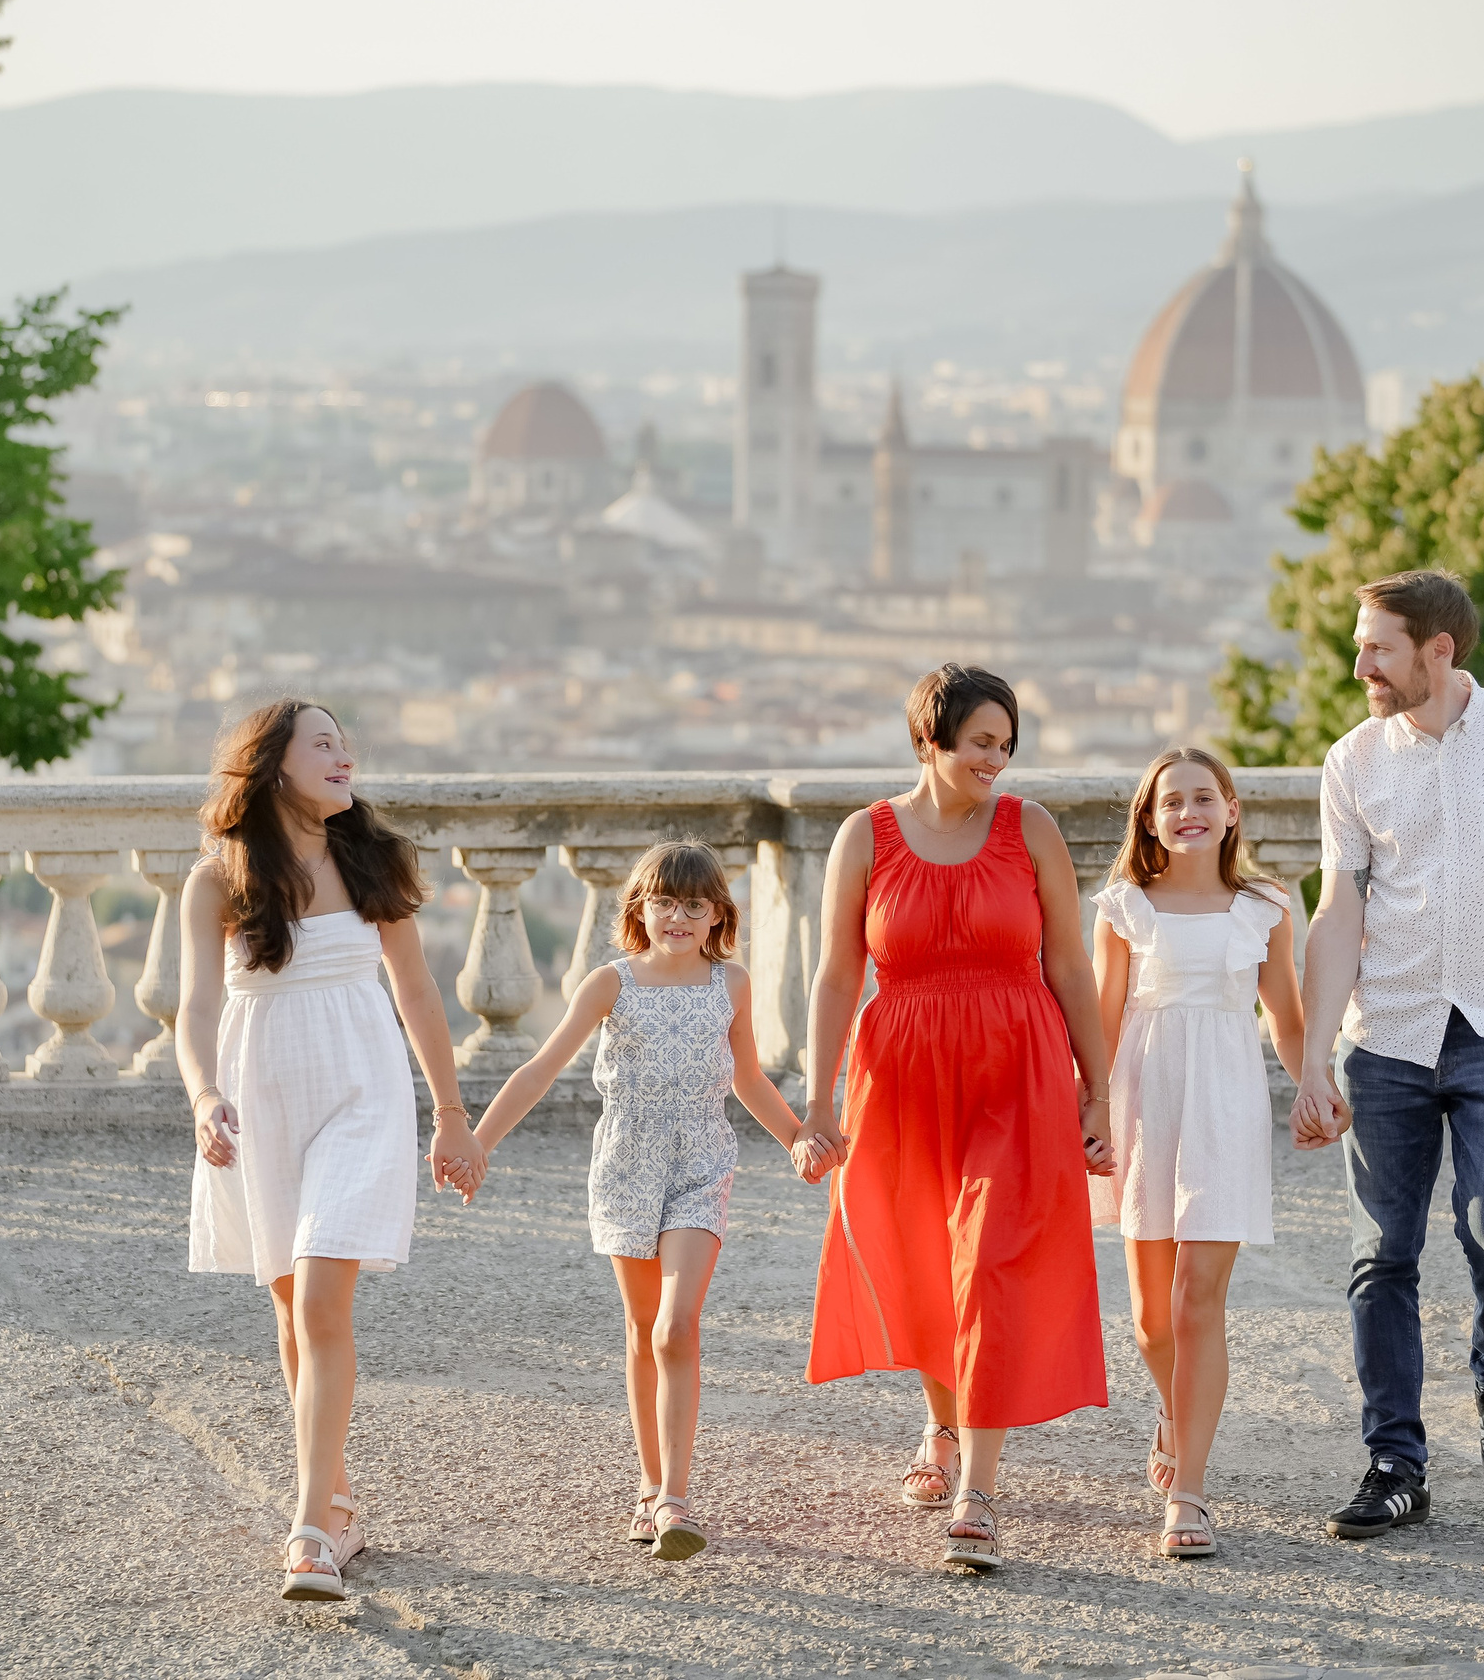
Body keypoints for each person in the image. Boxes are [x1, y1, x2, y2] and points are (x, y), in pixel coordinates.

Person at [1289, 570, 1484, 1542]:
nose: (1359, 667)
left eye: (1377, 648)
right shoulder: (1351, 761)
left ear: (1439, 650)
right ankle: (1394, 1461)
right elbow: (1337, 914)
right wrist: (1311, 1059)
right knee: (1379, 1255)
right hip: (1383, 1038)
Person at [797, 662, 1116, 1573]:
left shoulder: (1031, 830)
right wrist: (817, 1102)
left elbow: (1071, 968)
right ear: (928, 739)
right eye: (981, 742)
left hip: (1017, 1071)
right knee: (922, 1261)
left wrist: (1097, 1087)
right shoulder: (866, 836)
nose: (998, 760)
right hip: (898, 1076)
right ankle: (940, 1421)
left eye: (1007, 745)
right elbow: (831, 977)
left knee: (995, 1260)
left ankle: (977, 1481)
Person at [178, 699, 487, 1602]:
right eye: (324, 745)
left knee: (319, 1295)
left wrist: (453, 1114)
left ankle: (310, 1529)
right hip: (261, 1094)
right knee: (289, 1311)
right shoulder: (217, 880)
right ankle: (339, 1499)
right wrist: (204, 1096)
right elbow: (194, 1010)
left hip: (363, 1089)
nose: (344, 757)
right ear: (273, 766)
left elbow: (421, 994)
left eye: (346, 744)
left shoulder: (373, 859)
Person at [459, 841, 833, 1562]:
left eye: (696, 904)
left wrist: (796, 1139)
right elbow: (539, 1069)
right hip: (625, 1164)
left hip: (701, 1162)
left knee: (675, 1327)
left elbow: (749, 1079)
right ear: (640, 908)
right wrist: (479, 1142)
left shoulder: (732, 985)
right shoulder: (610, 984)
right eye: (666, 901)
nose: (680, 915)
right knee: (640, 1330)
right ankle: (648, 1481)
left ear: (719, 914)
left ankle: (676, 1499)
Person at [1091, 746, 1305, 1560]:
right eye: (1171, 801)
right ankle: (1173, 1408)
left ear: (1231, 808)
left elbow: (1285, 1014)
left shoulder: (1265, 906)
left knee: (1197, 1300)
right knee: (1151, 1322)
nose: (1189, 812)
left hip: (1226, 1101)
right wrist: (1095, 1112)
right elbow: (1104, 1023)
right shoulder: (1122, 908)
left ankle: (1189, 1493)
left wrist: (1313, 1083)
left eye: (1203, 797)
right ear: (1149, 818)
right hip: (1146, 1100)